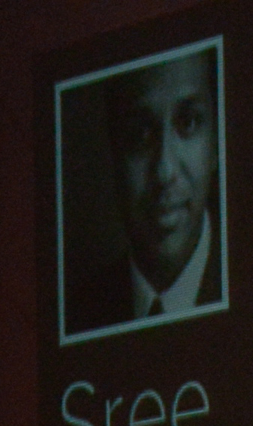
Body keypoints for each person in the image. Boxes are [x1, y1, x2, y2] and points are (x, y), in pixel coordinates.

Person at [68, 45, 220, 332]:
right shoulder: (79, 313)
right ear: (113, 152)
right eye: (140, 134)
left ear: (216, 143)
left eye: (188, 122)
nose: (164, 172)